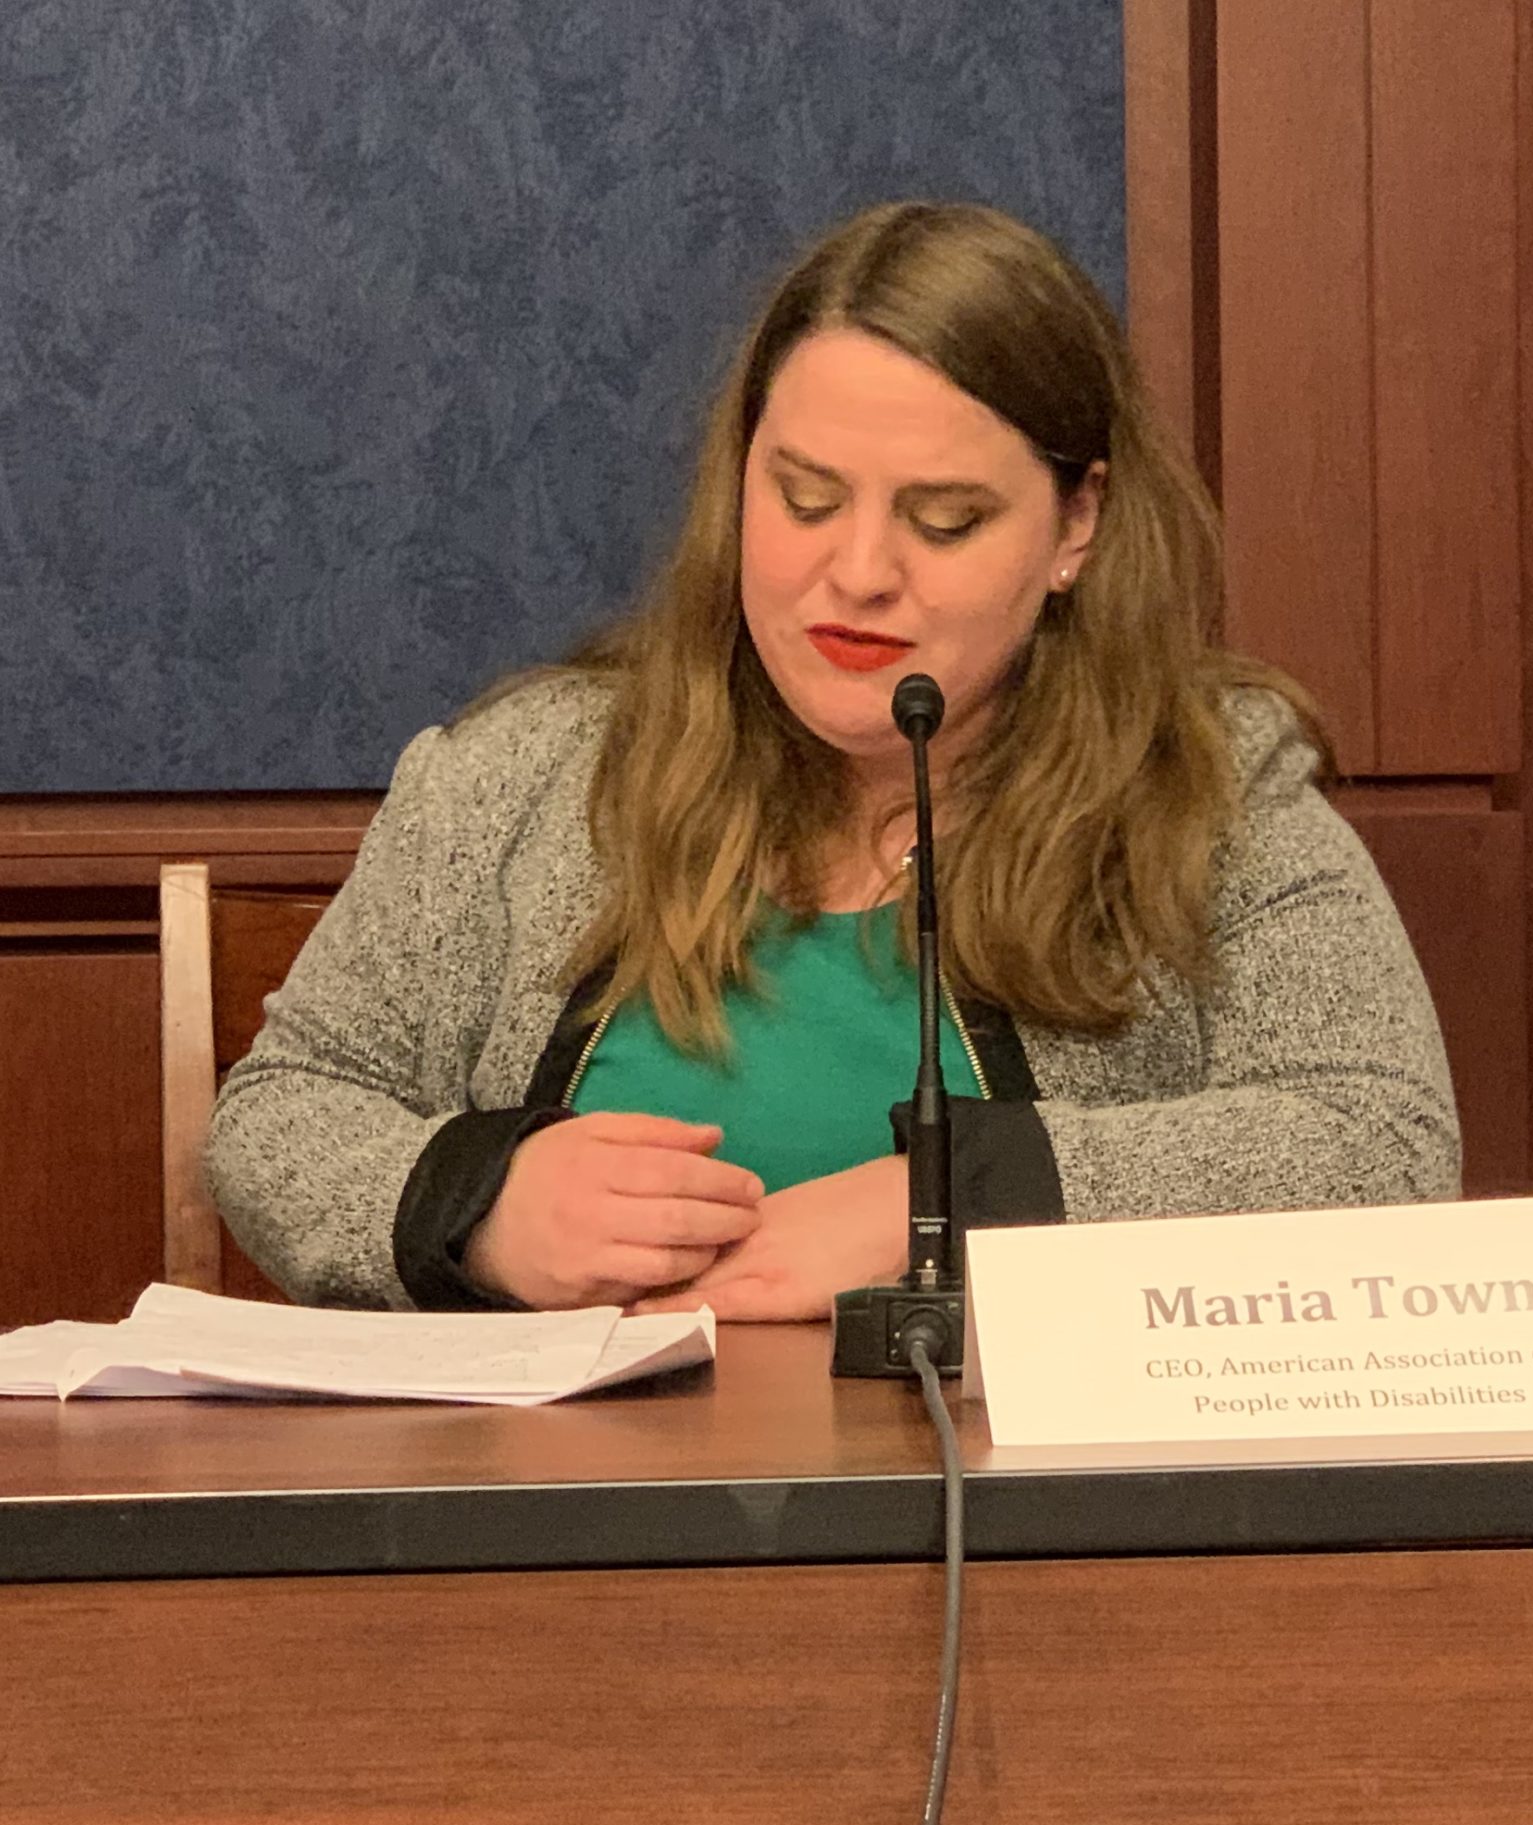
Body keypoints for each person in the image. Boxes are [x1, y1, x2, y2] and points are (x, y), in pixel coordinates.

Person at [206, 201, 1459, 1321]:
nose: (857, 573)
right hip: (562, 1538)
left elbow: (1381, 1145)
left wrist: (954, 1199)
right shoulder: (516, 776)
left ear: (1075, 525)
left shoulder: (1212, 787)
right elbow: (284, 1113)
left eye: (944, 519)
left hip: (1021, 1536)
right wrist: (478, 1205)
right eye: (804, 497)